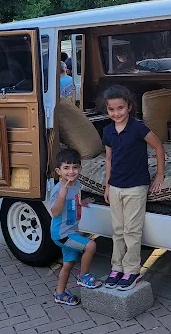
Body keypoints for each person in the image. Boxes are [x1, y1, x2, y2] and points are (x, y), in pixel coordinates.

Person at [101, 85, 165, 291]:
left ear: (129, 107)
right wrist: (107, 185)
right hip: (116, 186)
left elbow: (158, 146)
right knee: (117, 230)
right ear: (107, 110)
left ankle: (132, 271)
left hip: (136, 186)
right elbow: (109, 158)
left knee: (132, 230)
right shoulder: (108, 131)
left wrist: (160, 174)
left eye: (120, 108)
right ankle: (116, 268)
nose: (116, 113)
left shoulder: (138, 127)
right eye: (111, 109)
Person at [49, 149, 102, 306]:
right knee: (90, 245)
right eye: (66, 168)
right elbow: (55, 212)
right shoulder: (58, 190)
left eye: (75, 167)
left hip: (71, 231)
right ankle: (83, 276)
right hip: (61, 234)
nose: (71, 171)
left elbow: (75, 198)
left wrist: (82, 203)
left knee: (68, 264)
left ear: (80, 168)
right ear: (59, 171)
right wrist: (61, 196)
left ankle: (60, 294)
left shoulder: (76, 183)